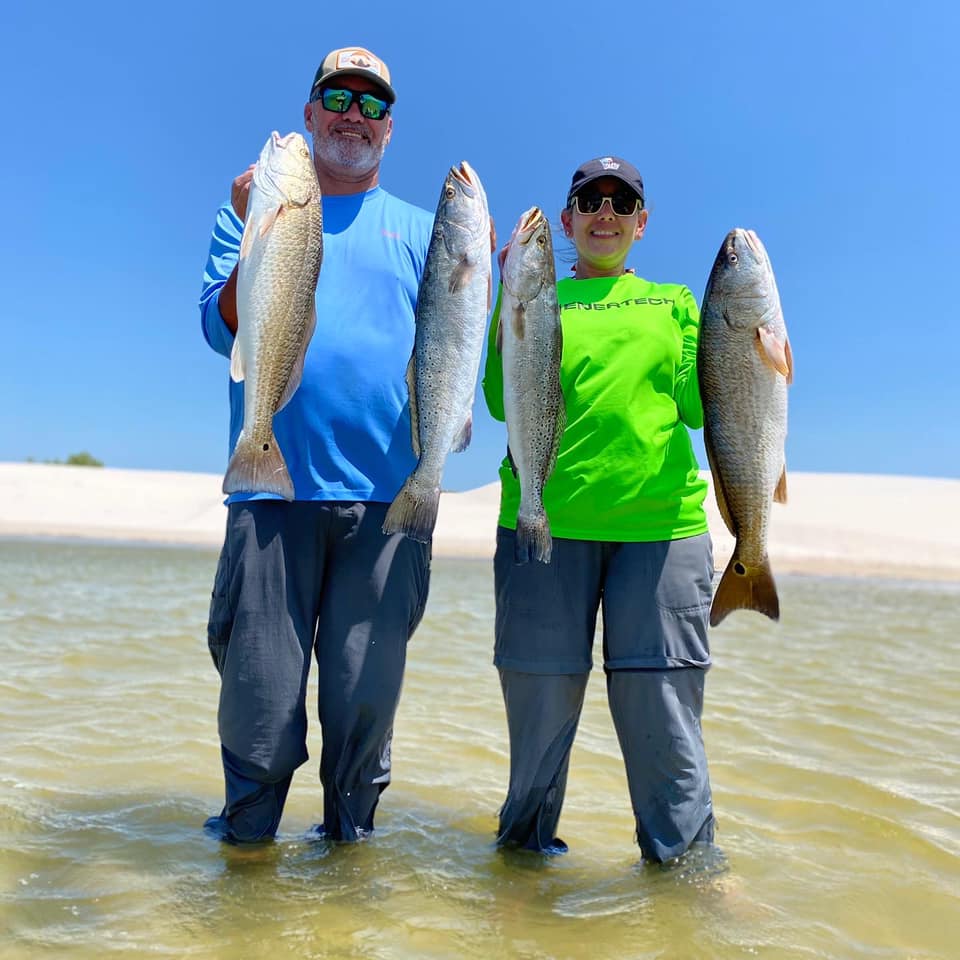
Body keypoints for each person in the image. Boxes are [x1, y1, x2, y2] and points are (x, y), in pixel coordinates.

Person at [198, 46, 434, 845]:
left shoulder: (425, 232)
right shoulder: (247, 211)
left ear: (390, 130)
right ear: (308, 114)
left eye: (372, 106)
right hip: (271, 492)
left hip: (387, 504)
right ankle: (243, 879)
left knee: (362, 720)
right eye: (338, 97)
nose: (352, 116)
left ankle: (346, 889)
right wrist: (246, 226)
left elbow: (456, 347)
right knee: (259, 714)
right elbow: (214, 325)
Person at [482, 157, 716, 863]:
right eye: (590, 201)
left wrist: (756, 352)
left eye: (621, 203)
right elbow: (498, 399)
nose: (604, 213)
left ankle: (687, 881)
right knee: (540, 718)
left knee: (664, 723)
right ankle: (520, 870)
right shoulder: (539, 298)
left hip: (662, 533)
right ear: (567, 221)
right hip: (542, 526)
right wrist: (505, 294)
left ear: (641, 224)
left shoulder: (674, 302)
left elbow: (703, 409)